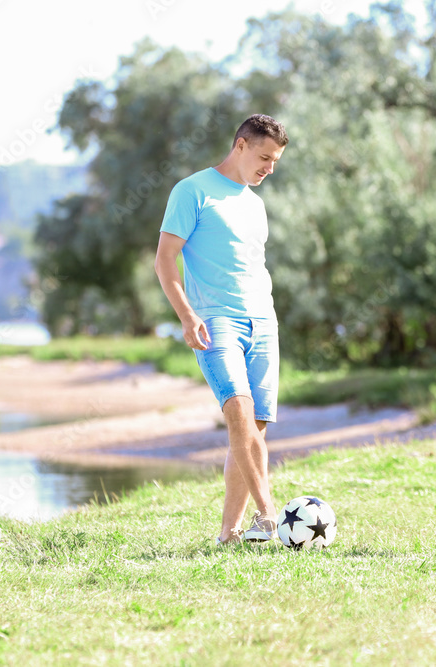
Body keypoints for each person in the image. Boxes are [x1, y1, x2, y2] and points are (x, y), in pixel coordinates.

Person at [154, 114, 288, 545]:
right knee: (238, 413)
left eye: (276, 160)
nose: (270, 167)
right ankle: (270, 516)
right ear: (241, 145)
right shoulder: (192, 191)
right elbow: (164, 259)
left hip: (263, 320)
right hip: (216, 321)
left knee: (254, 427)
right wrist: (187, 315)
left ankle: (229, 534)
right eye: (265, 157)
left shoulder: (255, 203)